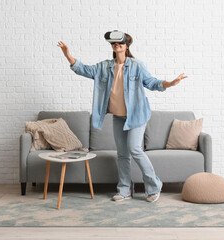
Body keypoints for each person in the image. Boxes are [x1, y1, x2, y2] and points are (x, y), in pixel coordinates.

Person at [57, 32, 187, 203]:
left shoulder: (136, 66)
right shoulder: (104, 67)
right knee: (122, 154)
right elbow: (84, 70)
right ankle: (125, 190)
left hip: (137, 116)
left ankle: (154, 185)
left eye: (120, 42)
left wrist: (169, 83)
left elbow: (152, 83)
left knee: (135, 149)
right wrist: (68, 54)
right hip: (118, 117)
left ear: (126, 46)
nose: (117, 45)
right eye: (114, 43)